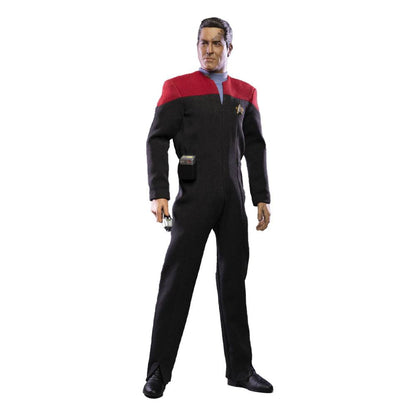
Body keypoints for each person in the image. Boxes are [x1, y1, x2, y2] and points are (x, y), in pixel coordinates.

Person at [143, 17, 273, 398]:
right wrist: (159, 191)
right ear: (197, 46)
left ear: (229, 48)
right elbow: (156, 139)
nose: (210, 50)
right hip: (193, 200)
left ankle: (241, 370)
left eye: (217, 43)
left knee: (233, 283)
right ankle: (157, 372)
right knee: (176, 283)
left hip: (232, 200)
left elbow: (256, 147)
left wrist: (261, 197)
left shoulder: (245, 93)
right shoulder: (178, 88)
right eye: (204, 43)